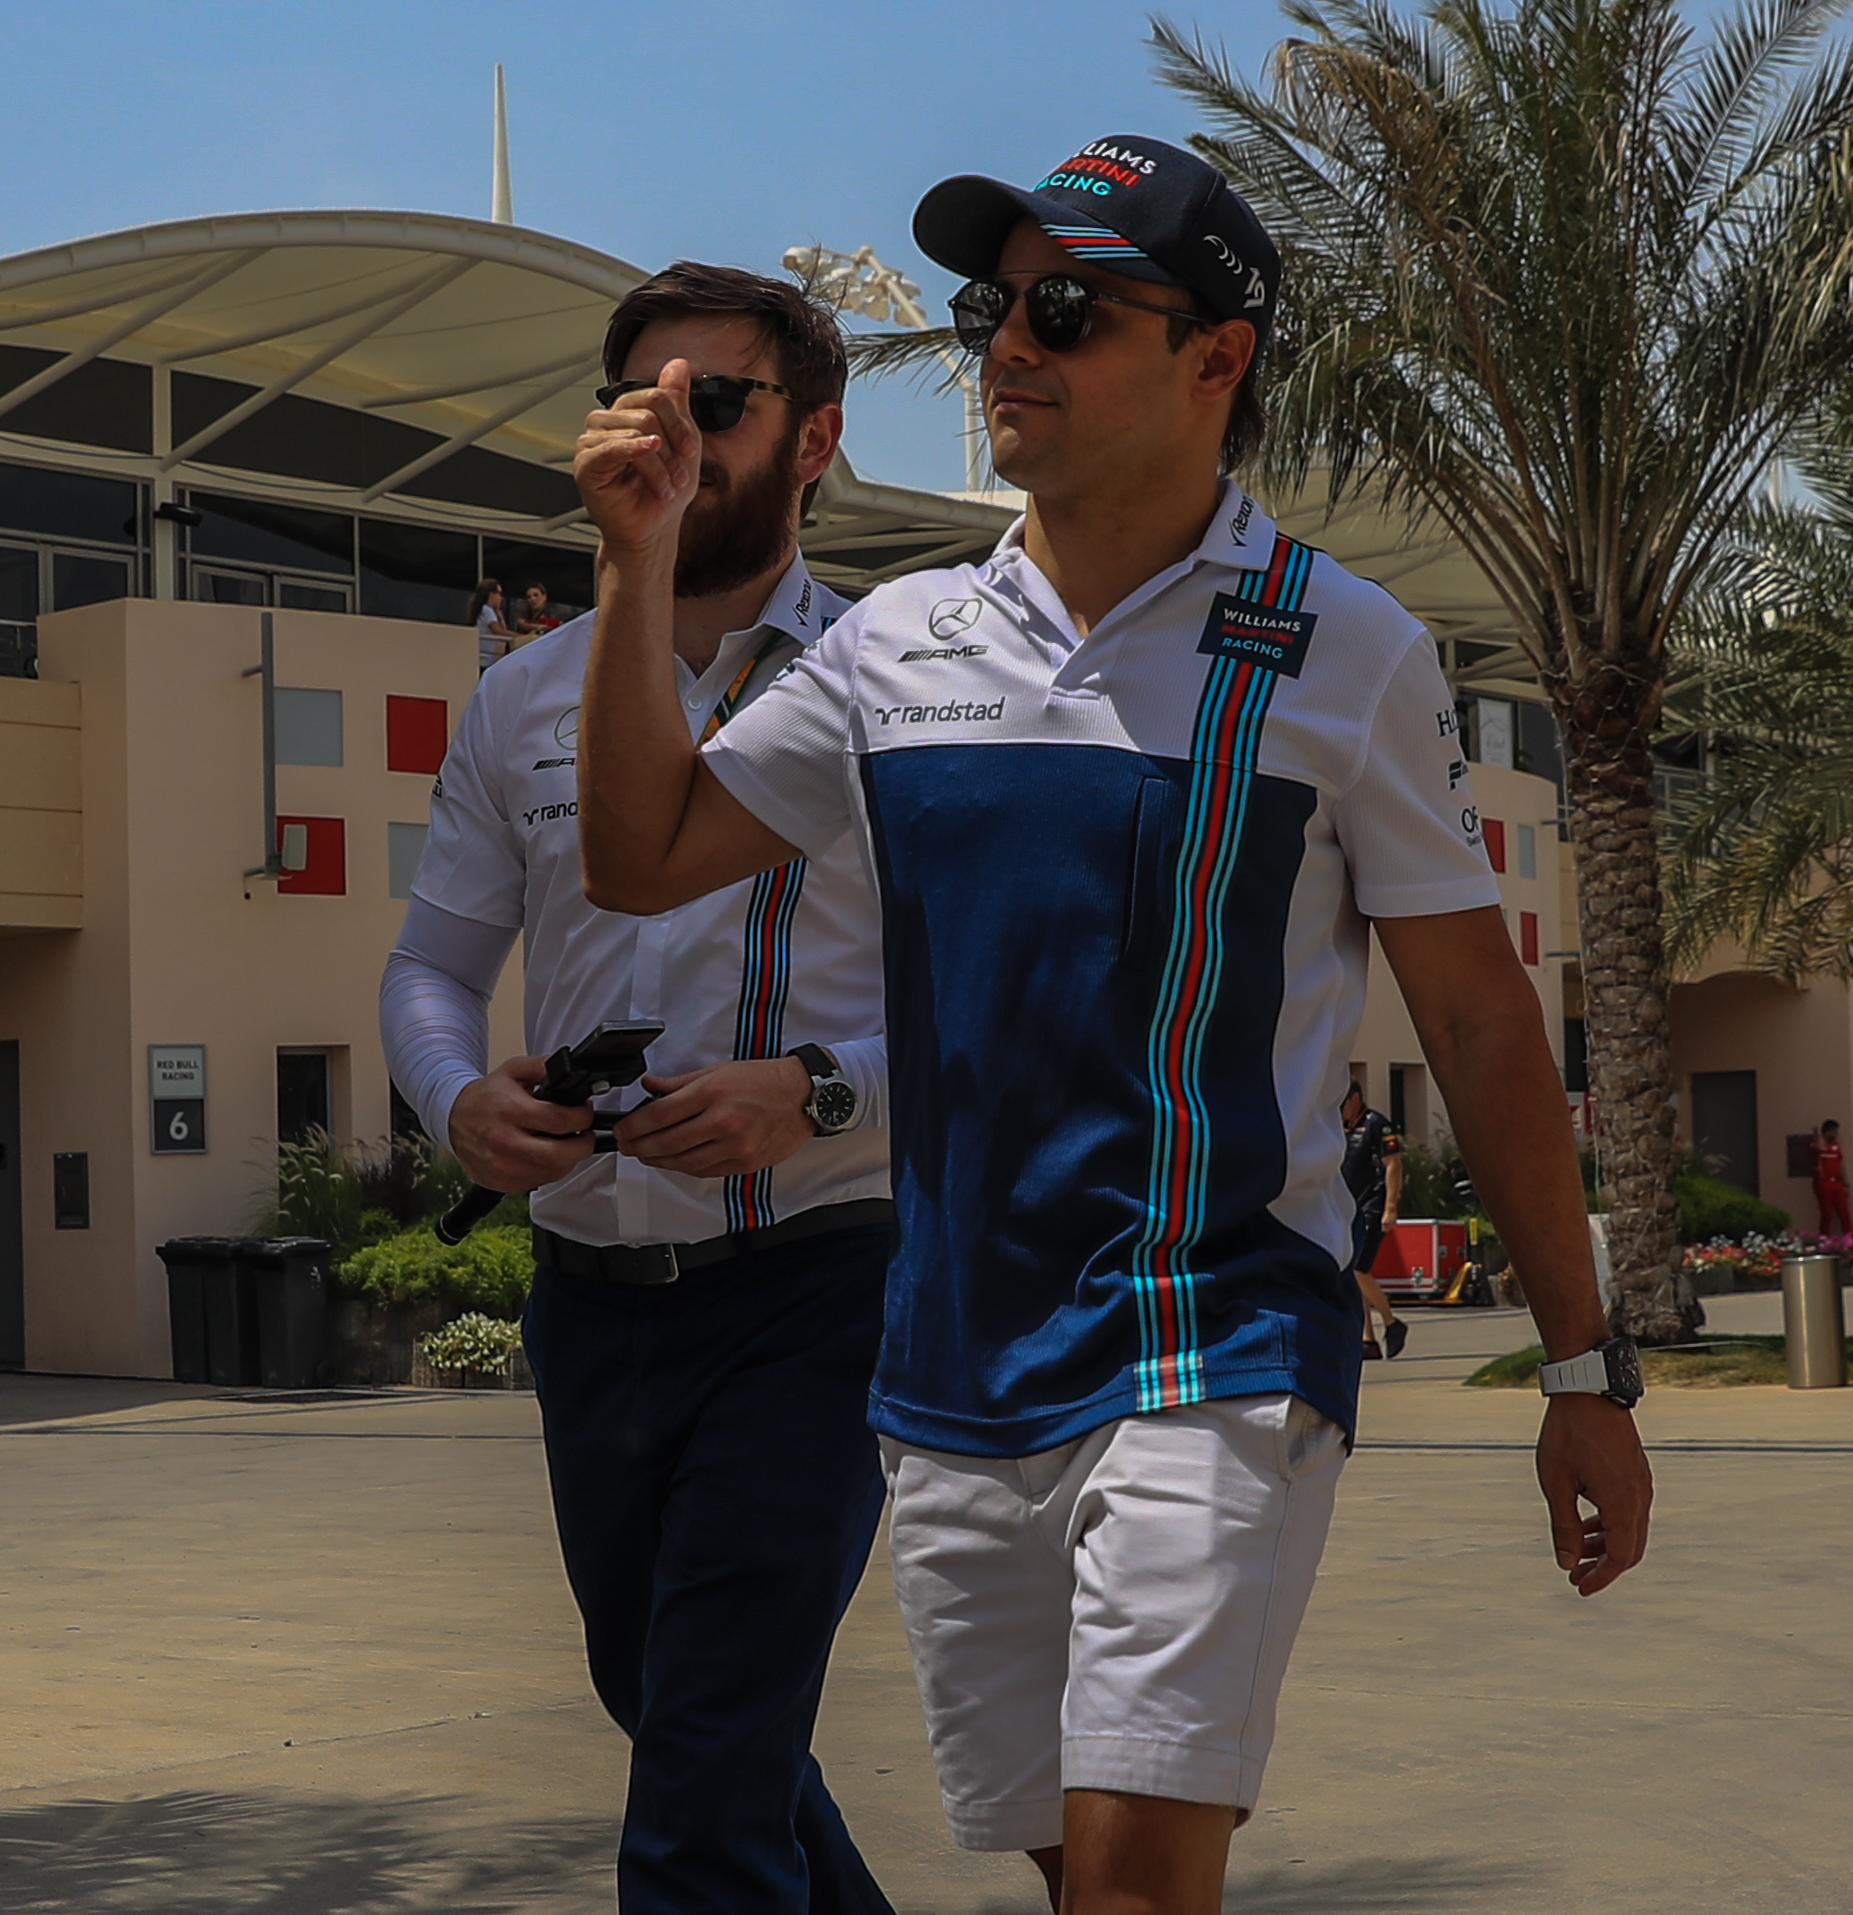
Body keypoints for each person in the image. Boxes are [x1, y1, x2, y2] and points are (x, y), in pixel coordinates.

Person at [573, 133, 1652, 1915]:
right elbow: (639, 854)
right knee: (1078, 1875)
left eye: (1066, 312)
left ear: (1215, 357)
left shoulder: (1341, 647)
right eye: (992, 308)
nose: (1007, 346)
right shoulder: (893, 644)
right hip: (948, 1367)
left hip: (1214, 1341)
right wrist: (636, 562)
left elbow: (1476, 1026)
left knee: (1139, 1880)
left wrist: (1578, 1371)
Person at [380, 262, 896, 1915]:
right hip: (590, 1299)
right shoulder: (522, 698)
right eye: (638, 400)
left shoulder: (903, 680)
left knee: (700, 1781)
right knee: (673, 1706)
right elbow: (429, 968)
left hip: (817, 1285)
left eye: (715, 401)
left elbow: (1008, 1001)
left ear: (813, 439)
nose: (671, 432)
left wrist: (816, 1093)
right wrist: (458, 1101)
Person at [1339, 1082, 1406, 1359]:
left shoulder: (1377, 1125)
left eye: (1343, 1101)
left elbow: (1394, 1165)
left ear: (1355, 1098)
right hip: (1348, 1208)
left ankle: (1392, 1322)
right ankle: (1367, 1339)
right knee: (1352, 1273)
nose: (1339, 1108)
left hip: (1372, 1207)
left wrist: (1390, 1207)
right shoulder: (1340, 1126)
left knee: (1358, 1269)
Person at [1811, 1119, 1853, 1246]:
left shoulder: (1836, 1146)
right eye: (1833, 1132)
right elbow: (1819, 1149)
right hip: (1823, 1183)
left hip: (1837, 1183)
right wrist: (1818, 1135)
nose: (1836, 1134)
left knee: (1844, 1213)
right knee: (1827, 1214)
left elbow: (1840, 1164)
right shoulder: (1814, 1144)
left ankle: (1850, 1242)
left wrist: (1845, 1183)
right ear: (1827, 1132)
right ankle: (1824, 1241)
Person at [468, 574, 514, 670]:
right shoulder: (487, 610)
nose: (502, 598)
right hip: (486, 662)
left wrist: (499, 613)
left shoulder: (484, 610)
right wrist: (522, 636)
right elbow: (498, 631)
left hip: (486, 661)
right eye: (500, 594)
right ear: (491, 594)